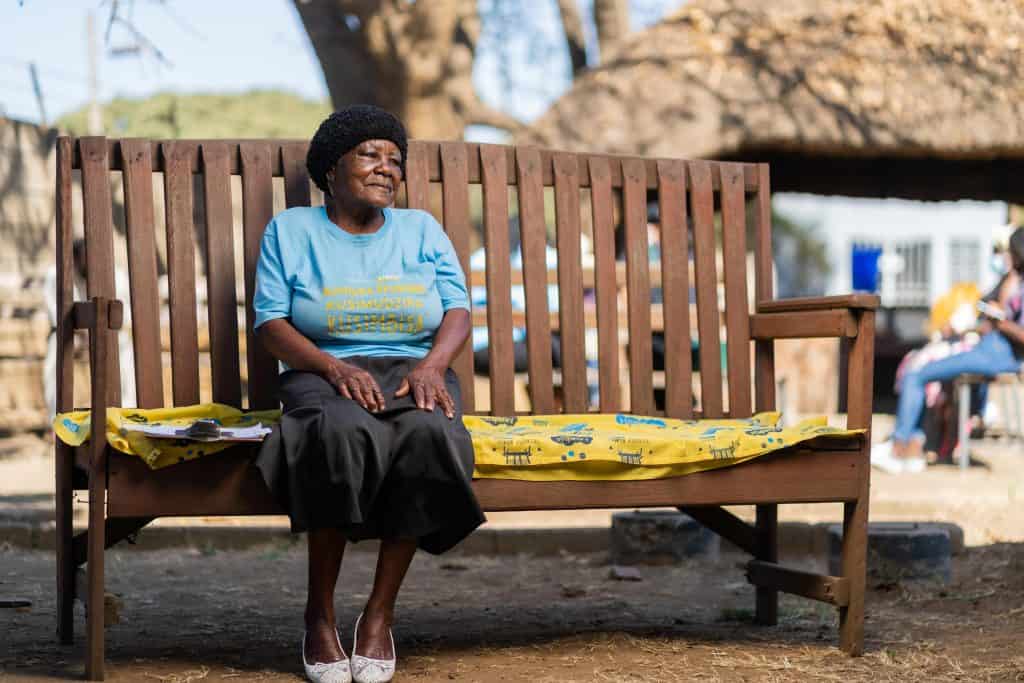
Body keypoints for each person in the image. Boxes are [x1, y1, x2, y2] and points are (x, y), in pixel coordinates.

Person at [252, 105, 485, 683]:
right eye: (371, 156)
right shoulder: (292, 230)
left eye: (395, 161)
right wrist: (331, 367)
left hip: (412, 369)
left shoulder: (422, 230)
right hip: (322, 368)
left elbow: (457, 309)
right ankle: (320, 616)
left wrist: (433, 366)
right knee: (340, 433)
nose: (387, 169)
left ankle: (379, 616)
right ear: (332, 169)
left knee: (429, 433)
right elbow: (270, 321)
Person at [872, 226, 1024, 474]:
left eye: (1011, 252)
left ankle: (900, 447)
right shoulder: (1016, 281)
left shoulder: (1017, 284)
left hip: (995, 356)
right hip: (990, 352)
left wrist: (1000, 322)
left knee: (916, 373)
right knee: (924, 372)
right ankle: (912, 449)